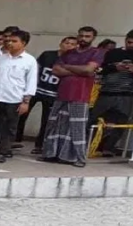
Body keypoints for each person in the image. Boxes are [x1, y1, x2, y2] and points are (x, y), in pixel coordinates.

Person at [43, 26, 104, 167]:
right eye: (81, 35)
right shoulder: (68, 53)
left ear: (93, 38)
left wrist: (68, 67)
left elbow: (89, 69)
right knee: (55, 124)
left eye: (87, 36)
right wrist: (80, 70)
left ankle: (78, 158)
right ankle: (52, 154)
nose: (83, 39)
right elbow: (56, 70)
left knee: (77, 127)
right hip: (62, 94)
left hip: (80, 95)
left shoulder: (96, 52)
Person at [90, 28, 133, 156]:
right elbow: (99, 69)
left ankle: (108, 148)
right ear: (125, 40)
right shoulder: (112, 53)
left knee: (120, 122)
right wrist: (114, 67)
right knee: (95, 119)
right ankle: (90, 145)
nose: (131, 45)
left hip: (127, 94)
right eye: (129, 42)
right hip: (106, 92)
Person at [0, 29, 37, 164]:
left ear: (23, 43)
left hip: (14, 99)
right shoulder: (1, 58)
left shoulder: (29, 61)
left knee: (8, 128)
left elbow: (31, 82)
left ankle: (3, 152)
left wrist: (26, 102)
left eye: (14, 41)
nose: (10, 43)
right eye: (8, 41)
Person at [25, 36, 77, 155]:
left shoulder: (72, 60)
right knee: (22, 114)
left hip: (54, 94)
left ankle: (39, 144)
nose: (68, 45)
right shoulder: (47, 54)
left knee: (47, 120)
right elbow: (36, 69)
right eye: (66, 43)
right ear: (61, 43)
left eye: (72, 44)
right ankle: (14, 139)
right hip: (37, 90)